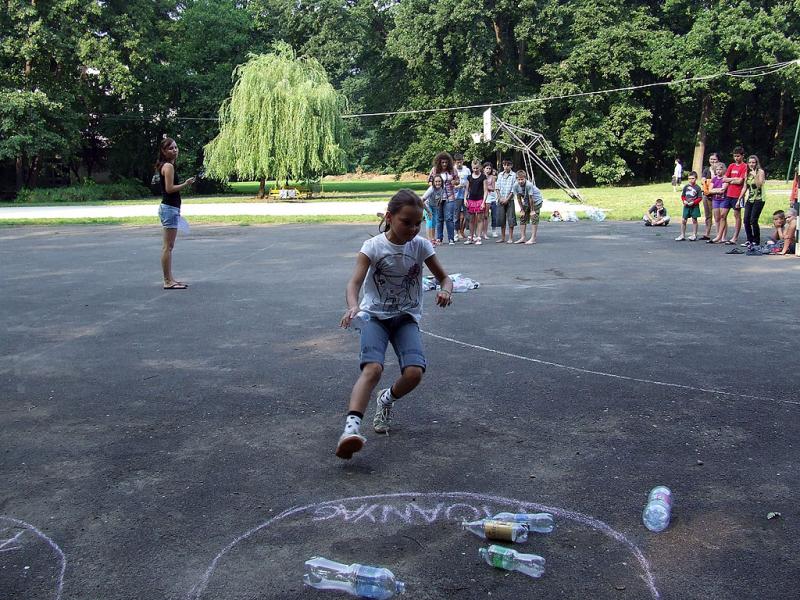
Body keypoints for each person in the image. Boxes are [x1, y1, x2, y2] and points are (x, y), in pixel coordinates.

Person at [336, 190, 453, 459]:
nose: (413, 229)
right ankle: (350, 430)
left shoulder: (421, 246)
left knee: (414, 374)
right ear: (389, 217)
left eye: (418, 223)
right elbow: (354, 283)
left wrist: (446, 290)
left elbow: (445, 278)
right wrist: (353, 306)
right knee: (373, 369)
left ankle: (386, 399)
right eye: (406, 222)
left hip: (405, 317)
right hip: (374, 316)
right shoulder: (373, 247)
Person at [155, 137, 195, 290]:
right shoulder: (168, 166)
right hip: (169, 209)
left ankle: (170, 279)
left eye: (176, 147)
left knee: (169, 246)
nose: (175, 150)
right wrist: (186, 184)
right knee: (168, 247)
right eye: (171, 148)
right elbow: (169, 189)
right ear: (164, 151)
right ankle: (167, 281)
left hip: (170, 209)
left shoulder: (167, 165)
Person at [427, 152, 459, 245]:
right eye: (442, 162)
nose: (444, 164)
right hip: (437, 197)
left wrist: (455, 182)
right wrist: (435, 186)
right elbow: (429, 181)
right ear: (439, 162)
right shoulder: (434, 170)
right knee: (439, 218)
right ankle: (439, 238)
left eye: (446, 162)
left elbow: (458, 180)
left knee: (449, 218)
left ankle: (451, 238)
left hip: (450, 196)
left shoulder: (452, 170)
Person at [722, 147, 748, 245]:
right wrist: (733, 180)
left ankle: (735, 237)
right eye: (735, 156)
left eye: (738, 156)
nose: (736, 158)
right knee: (723, 215)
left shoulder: (744, 166)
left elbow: (740, 181)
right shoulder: (731, 166)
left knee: (737, 215)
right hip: (728, 194)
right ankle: (721, 236)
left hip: (737, 194)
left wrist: (731, 180)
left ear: (742, 156)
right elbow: (724, 178)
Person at [741, 155, 766, 248]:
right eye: (750, 162)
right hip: (750, 198)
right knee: (746, 220)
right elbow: (745, 187)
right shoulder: (747, 173)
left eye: (753, 162)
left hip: (759, 199)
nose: (751, 164)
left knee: (753, 220)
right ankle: (749, 240)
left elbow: (759, 185)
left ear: (756, 163)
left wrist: (755, 175)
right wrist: (740, 198)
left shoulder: (760, 172)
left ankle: (756, 240)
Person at [513, 170, 543, 244]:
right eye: (519, 179)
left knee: (534, 217)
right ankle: (523, 237)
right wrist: (522, 209)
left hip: (536, 201)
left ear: (525, 178)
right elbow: (518, 198)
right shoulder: (515, 185)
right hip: (526, 201)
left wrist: (532, 210)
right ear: (516, 179)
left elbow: (531, 198)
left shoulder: (529, 185)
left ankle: (533, 238)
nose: (520, 181)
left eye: (522, 179)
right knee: (522, 216)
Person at [464, 160, 488, 245]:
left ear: (480, 167)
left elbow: (486, 190)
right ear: (471, 168)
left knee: (480, 219)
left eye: (477, 168)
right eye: (474, 168)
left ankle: (478, 237)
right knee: (471, 219)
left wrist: (483, 202)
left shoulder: (483, 177)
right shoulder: (469, 177)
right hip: (471, 200)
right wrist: (465, 199)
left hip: (480, 199)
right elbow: (467, 189)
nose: (475, 170)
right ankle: (471, 237)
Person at [700, 152, 721, 239]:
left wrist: (711, 175)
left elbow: (717, 180)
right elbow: (702, 180)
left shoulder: (720, 169)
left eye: (714, 159)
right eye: (711, 159)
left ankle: (719, 234)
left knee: (717, 216)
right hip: (706, 194)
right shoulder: (706, 169)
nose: (713, 161)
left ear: (718, 160)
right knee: (708, 215)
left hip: (716, 195)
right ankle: (707, 233)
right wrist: (704, 180)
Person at [676, 171, 702, 241]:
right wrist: (684, 201)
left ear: (696, 178)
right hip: (686, 206)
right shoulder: (686, 187)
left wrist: (694, 202)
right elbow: (683, 196)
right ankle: (682, 235)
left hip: (694, 206)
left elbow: (700, 198)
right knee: (683, 220)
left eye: (692, 178)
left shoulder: (698, 188)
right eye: (689, 178)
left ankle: (694, 235)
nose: (691, 180)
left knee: (694, 220)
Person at [495, 158, 517, 243]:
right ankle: (503, 237)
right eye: (504, 165)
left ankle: (510, 237)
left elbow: (513, 189)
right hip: (501, 199)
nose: (506, 167)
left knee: (511, 219)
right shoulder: (500, 174)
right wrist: (500, 197)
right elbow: (497, 187)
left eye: (508, 165)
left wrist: (507, 199)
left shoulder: (514, 175)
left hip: (510, 200)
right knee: (501, 219)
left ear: (511, 166)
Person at [708, 161, 730, 244]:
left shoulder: (725, 179)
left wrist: (715, 190)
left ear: (723, 170)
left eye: (720, 169)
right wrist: (716, 190)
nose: (718, 171)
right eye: (717, 169)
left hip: (724, 200)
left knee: (723, 217)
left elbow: (723, 190)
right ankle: (718, 235)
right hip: (715, 200)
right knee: (717, 218)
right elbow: (710, 190)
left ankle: (723, 236)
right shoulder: (714, 179)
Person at [422, 175, 445, 245]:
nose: (438, 183)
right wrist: (428, 211)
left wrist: (438, 204)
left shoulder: (442, 188)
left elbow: (440, 197)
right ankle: (429, 241)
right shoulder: (431, 189)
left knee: (434, 222)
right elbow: (421, 200)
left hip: (434, 206)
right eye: (436, 181)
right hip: (427, 206)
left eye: (439, 181)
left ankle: (433, 239)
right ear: (433, 182)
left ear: (442, 182)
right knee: (430, 222)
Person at [453, 153, 471, 241]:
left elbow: (470, 181)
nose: (459, 164)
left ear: (463, 161)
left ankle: (462, 231)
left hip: (466, 195)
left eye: (460, 162)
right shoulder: (452, 170)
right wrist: (456, 186)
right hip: (456, 196)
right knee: (456, 216)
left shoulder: (467, 170)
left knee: (467, 215)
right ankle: (456, 233)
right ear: (455, 162)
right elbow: (450, 184)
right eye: (457, 162)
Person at [482, 162, 498, 239]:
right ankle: (482, 231)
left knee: (494, 215)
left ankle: (494, 230)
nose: (488, 170)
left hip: (492, 198)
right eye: (487, 168)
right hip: (483, 197)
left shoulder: (492, 177)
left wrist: (485, 187)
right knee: (484, 215)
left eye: (489, 168)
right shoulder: (481, 176)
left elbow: (493, 188)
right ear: (483, 169)